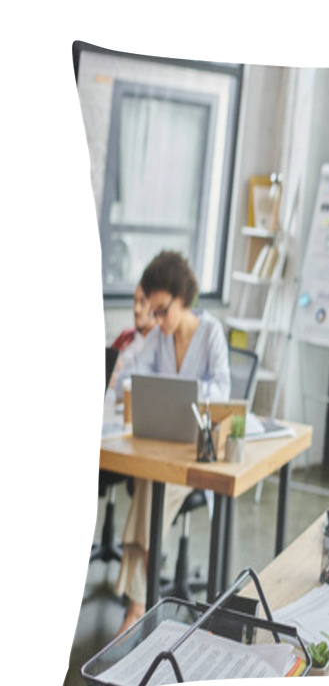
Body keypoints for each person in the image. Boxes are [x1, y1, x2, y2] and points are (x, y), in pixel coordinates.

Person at [113, 250, 231, 634]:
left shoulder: (211, 333)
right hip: (161, 451)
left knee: (152, 487)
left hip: (197, 460)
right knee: (150, 479)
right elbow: (129, 373)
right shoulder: (159, 338)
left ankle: (137, 604)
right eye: (154, 311)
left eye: (163, 310)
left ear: (182, 298)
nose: (157, 319)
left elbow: (223, 391)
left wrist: (182, 393)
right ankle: (140, 599)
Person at [107, 282, 156, 391]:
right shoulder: (126, 336)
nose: (136, 309)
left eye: (142, 302)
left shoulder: (159, 345)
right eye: (135, 301)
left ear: (156, 306)